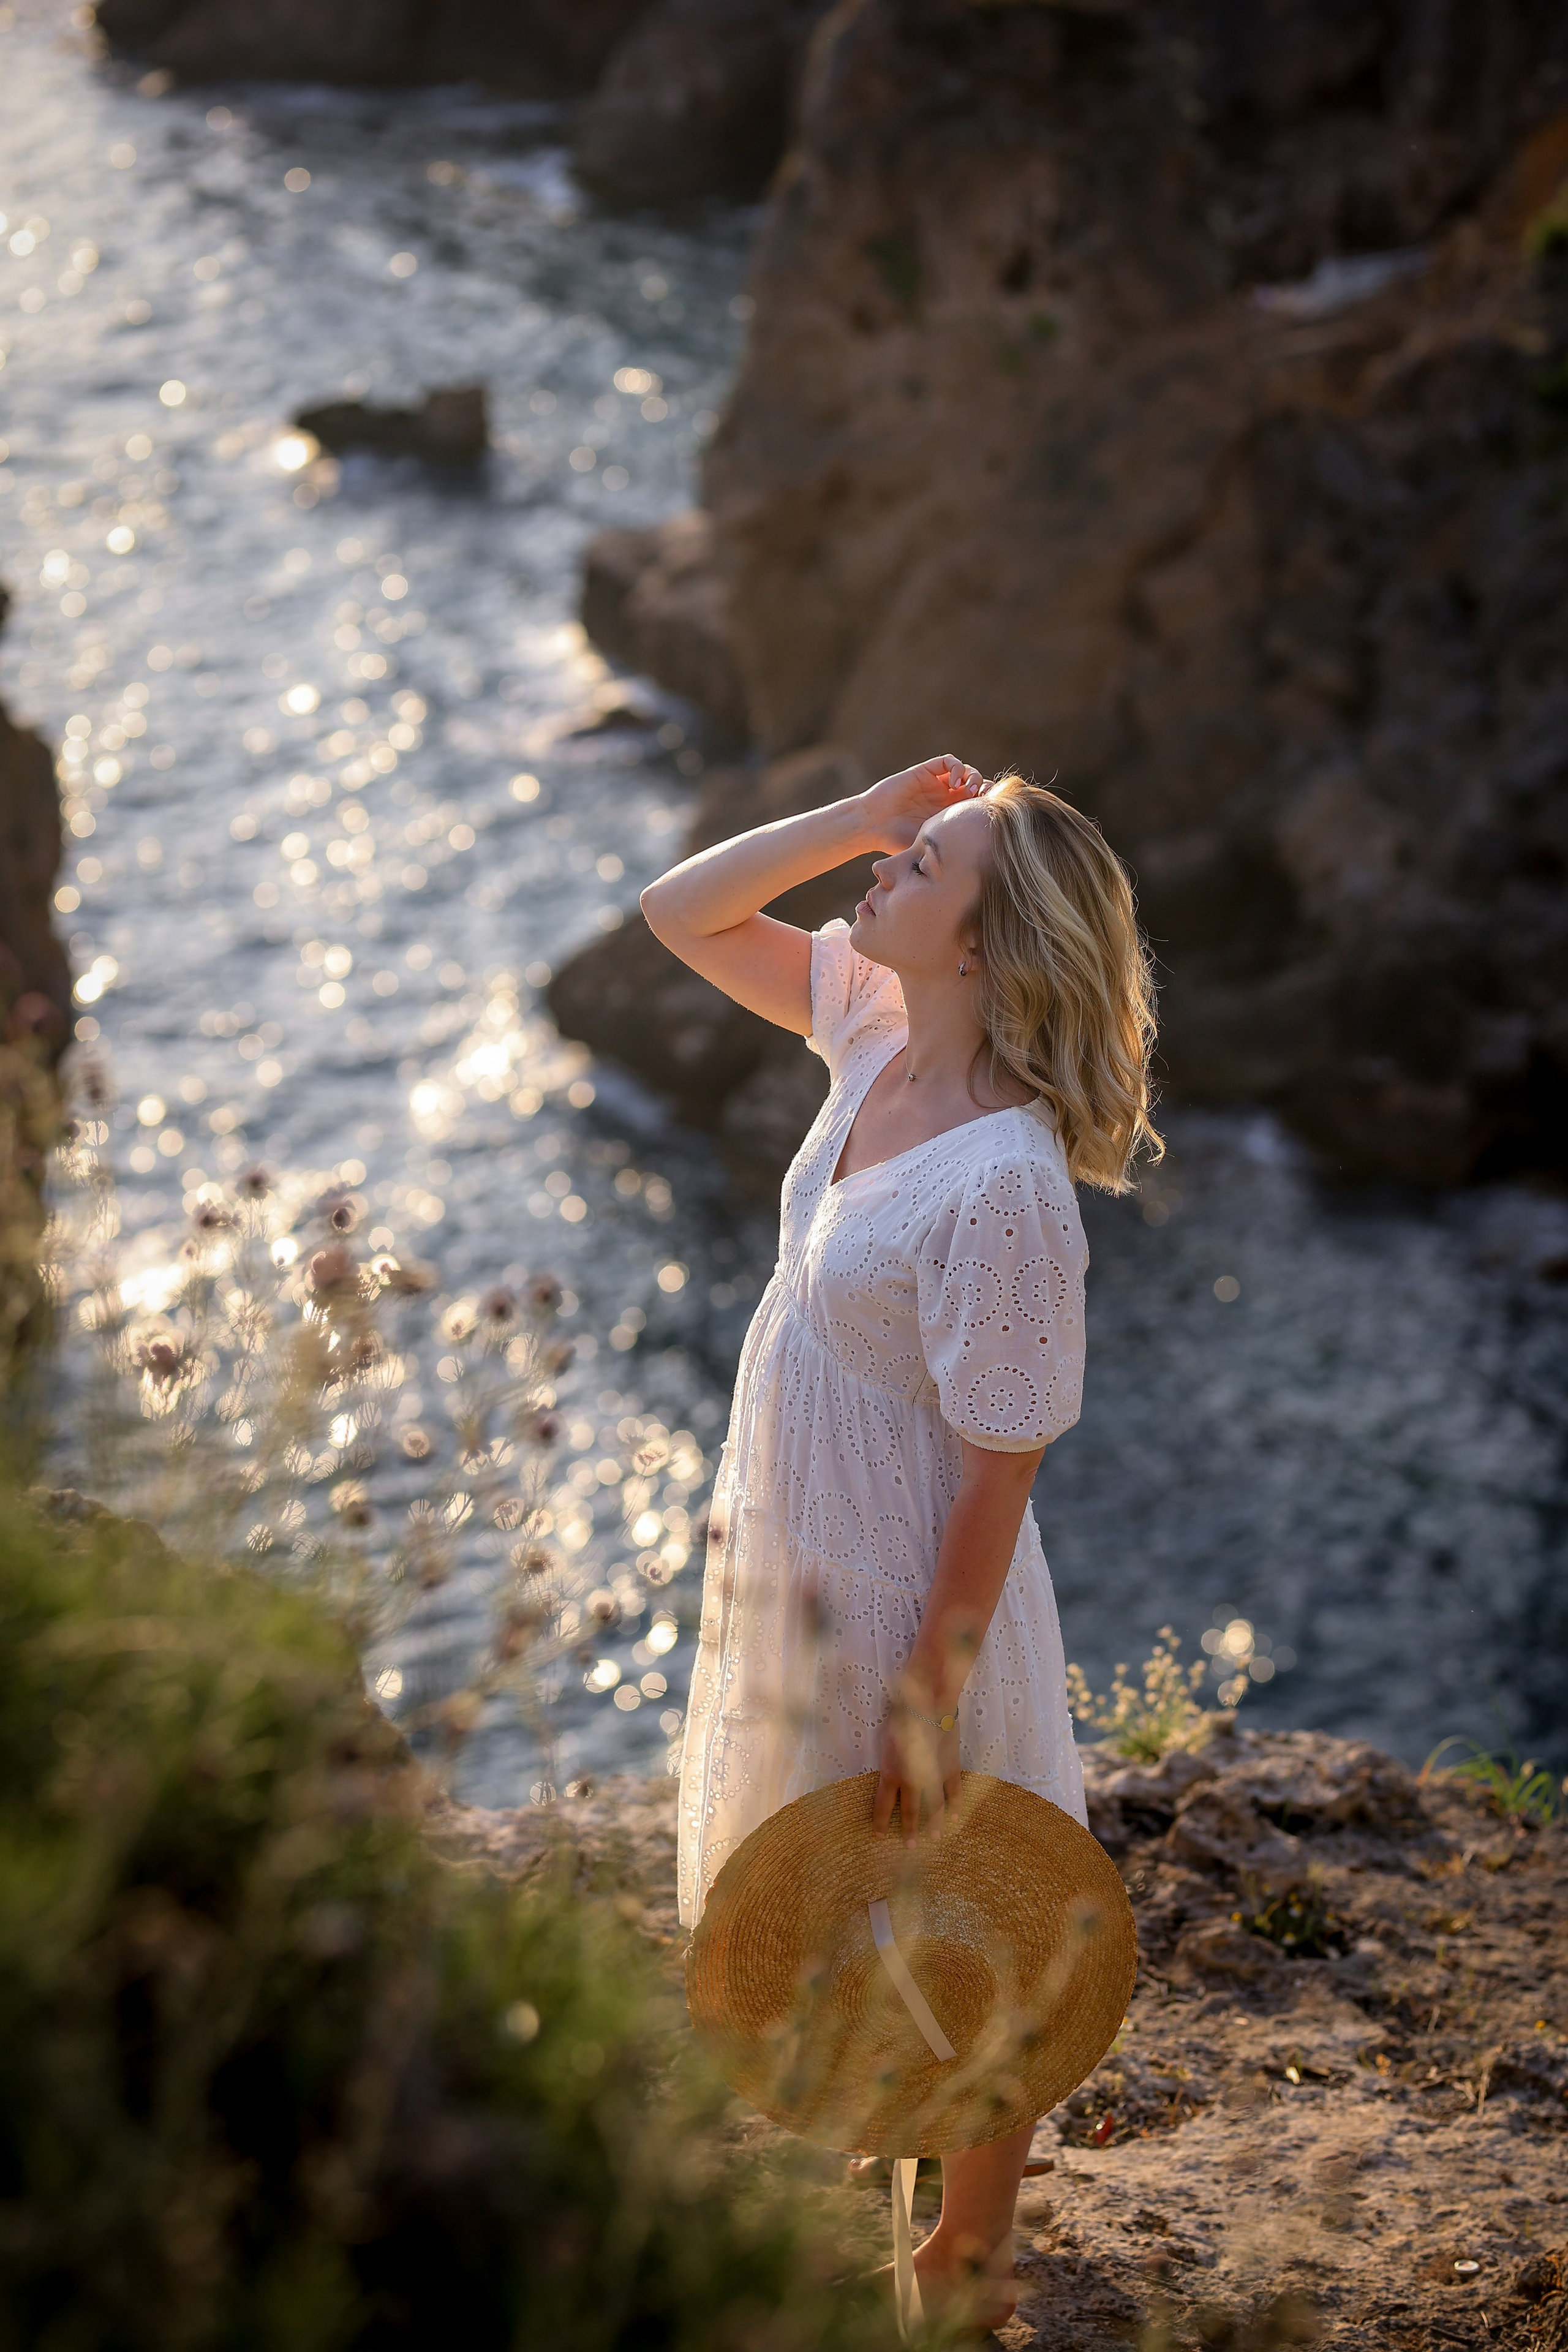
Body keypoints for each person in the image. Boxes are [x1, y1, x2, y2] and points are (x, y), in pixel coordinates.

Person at [642, 753, 1159, 2334]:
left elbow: (1002, 1471)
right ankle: (922, 2161)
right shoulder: (873, 1028)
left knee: (973, 1902)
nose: (882, 878)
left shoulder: (1006, 1187)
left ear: (986, 943)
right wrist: (857, 820)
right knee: (858, 1892)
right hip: (813, 1548)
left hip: (918, 1583)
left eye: (921, 867)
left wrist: (929, 1694)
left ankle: (972, 2254)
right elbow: (679, 911)